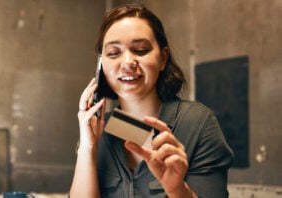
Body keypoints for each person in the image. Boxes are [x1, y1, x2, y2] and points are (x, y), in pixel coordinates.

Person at [70, 4, 234, 198]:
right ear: (101, 65)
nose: (128, 62)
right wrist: (87, 148)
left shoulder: (198, 123)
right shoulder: (101, 129)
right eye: (113, 53)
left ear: (163, 58)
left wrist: (177, 189)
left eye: (140, 50)